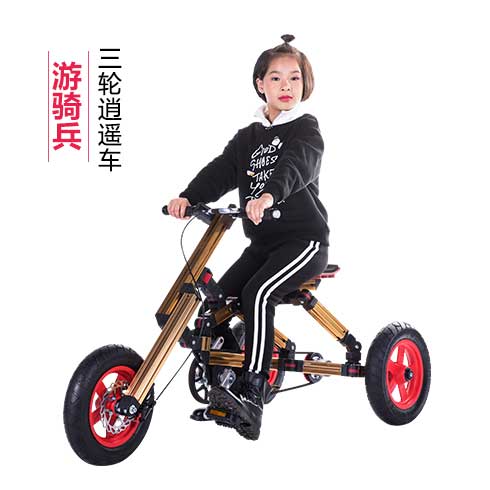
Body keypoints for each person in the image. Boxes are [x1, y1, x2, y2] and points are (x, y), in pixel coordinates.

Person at [167, 34, 329, 440]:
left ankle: (252, 396)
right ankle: (224, 381)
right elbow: (221, 171)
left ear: (305, 84)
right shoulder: (247, 137)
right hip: (262, 246)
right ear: (261, 84)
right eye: (276, 78)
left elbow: (296, 166)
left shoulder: (306, 129)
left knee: (257, 294)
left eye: (294, 78)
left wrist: (269, 195)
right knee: (216, 303)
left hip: (304, 242)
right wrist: (188, 197)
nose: (286, 86)